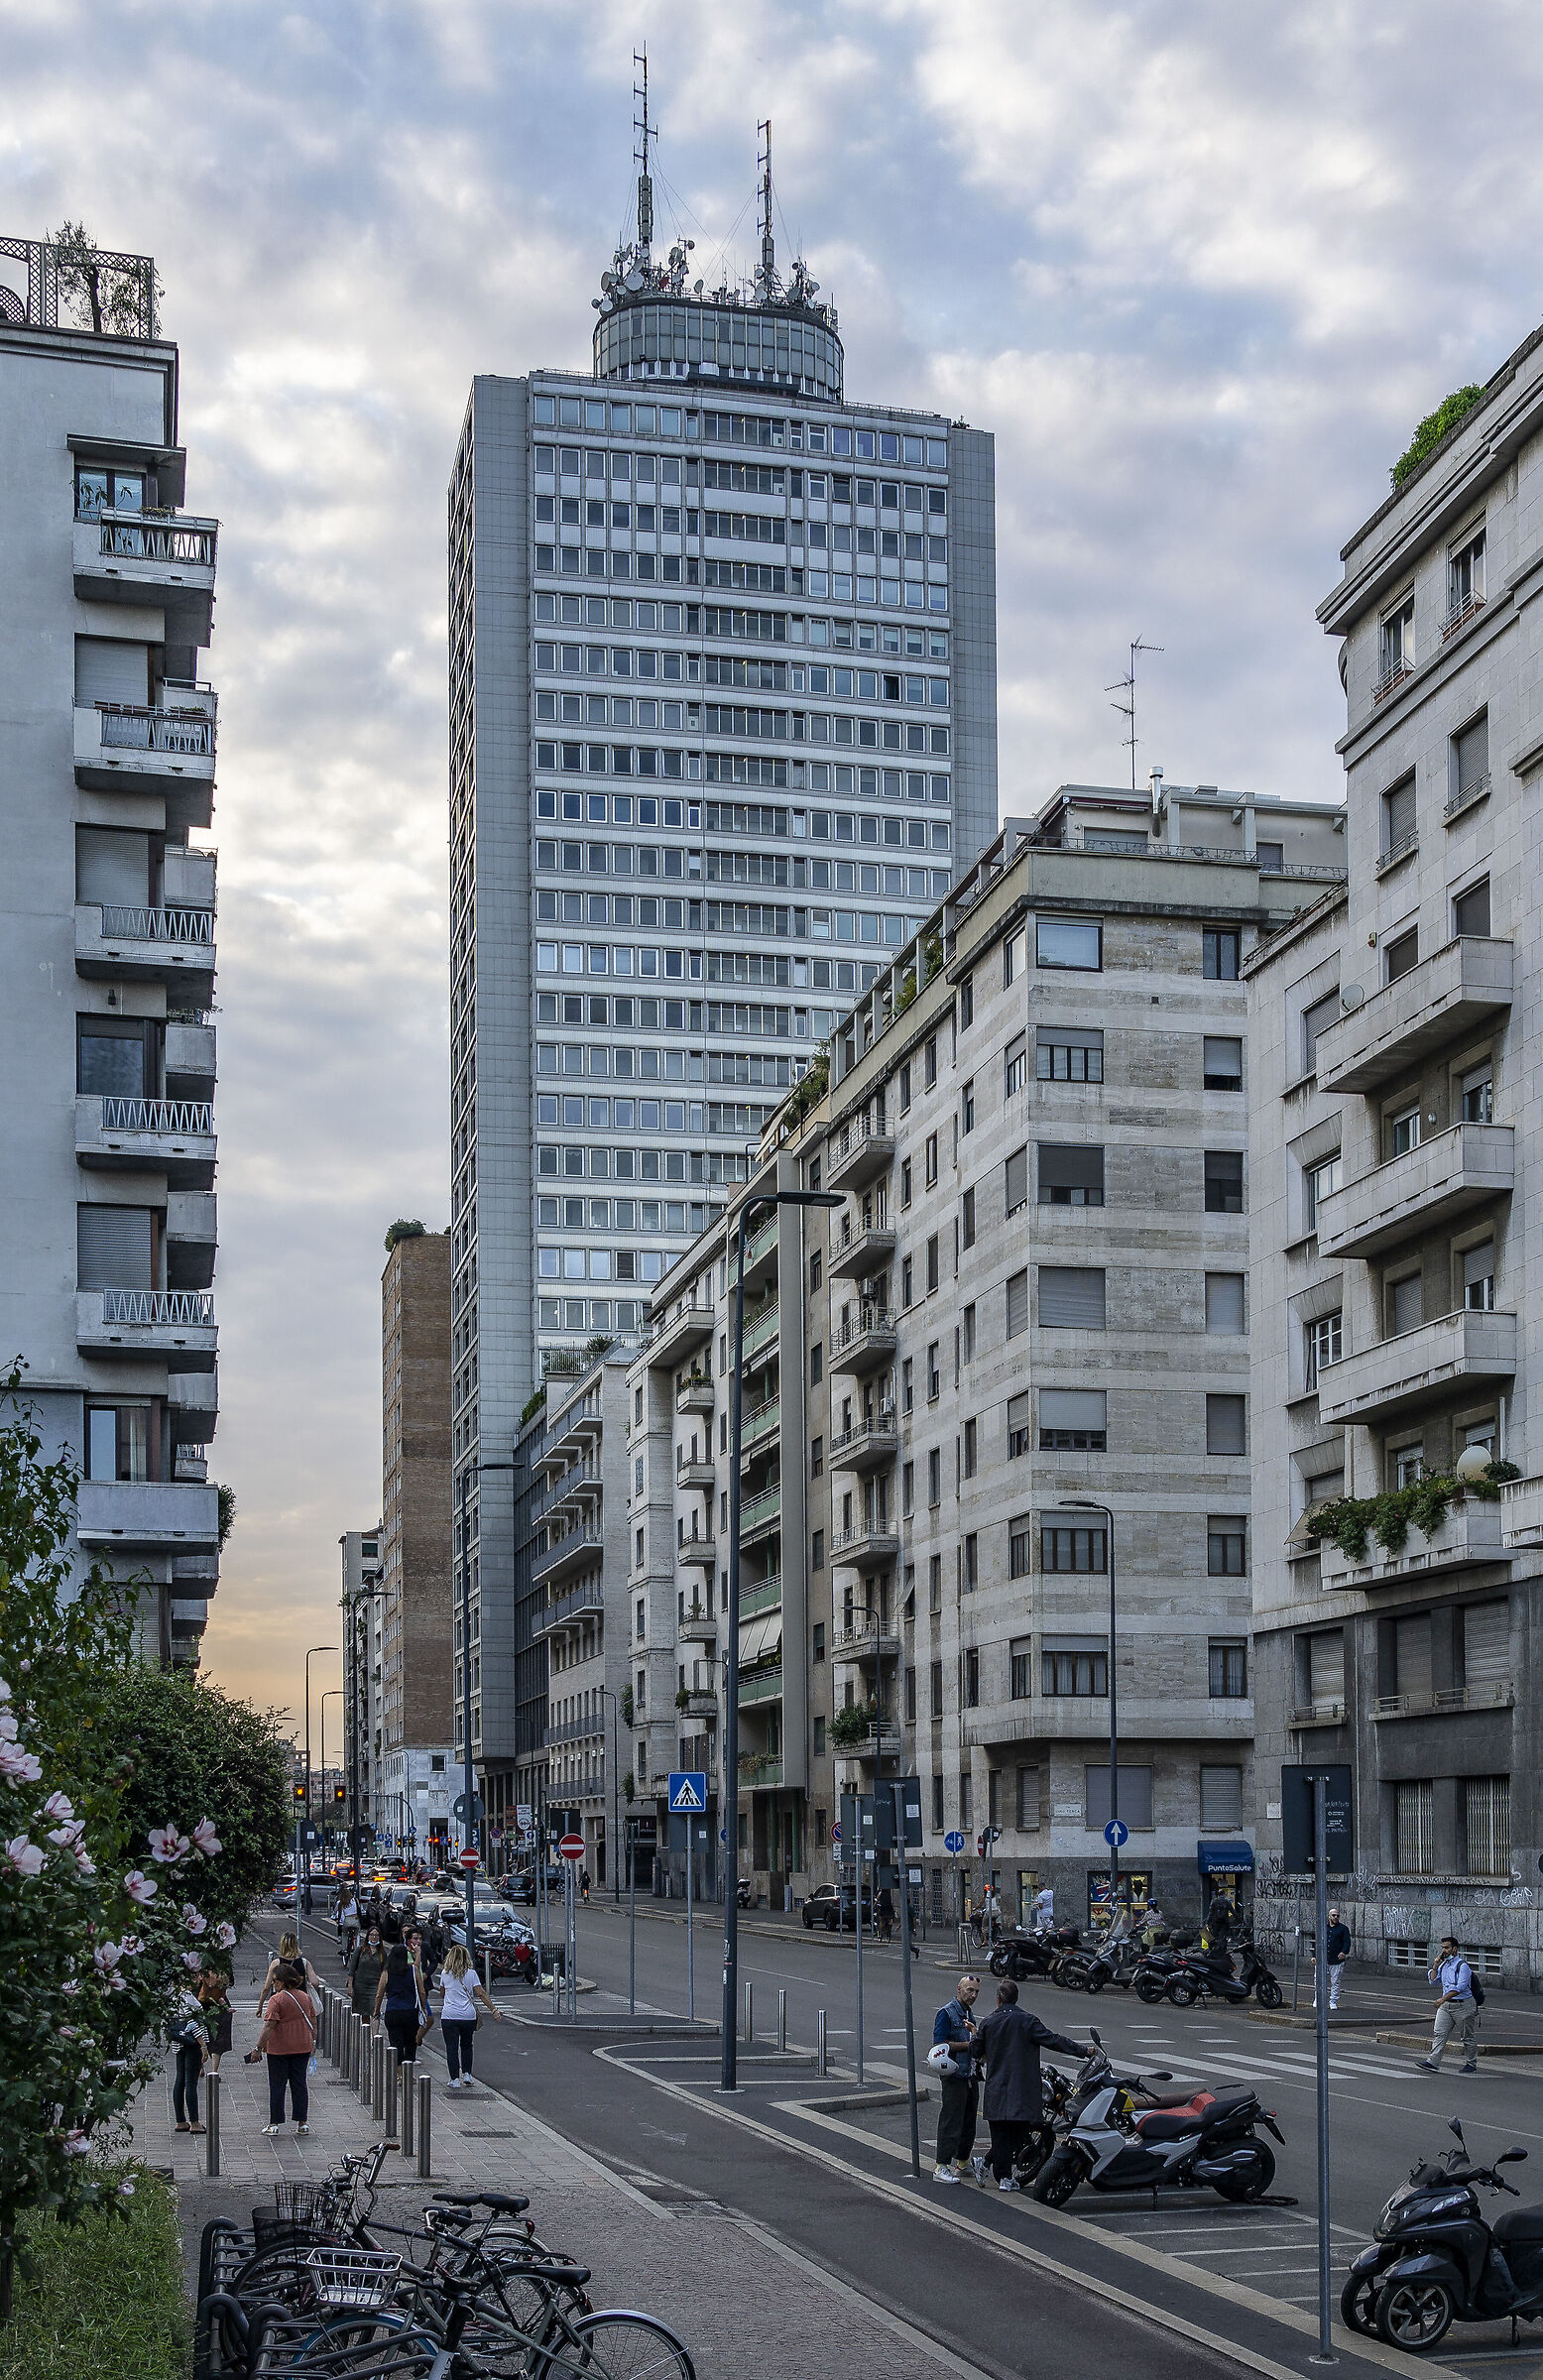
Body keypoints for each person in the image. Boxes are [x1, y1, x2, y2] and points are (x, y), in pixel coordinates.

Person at [974, 1980, 1086, 2190]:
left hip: (997, 2088)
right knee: (1019, 2131)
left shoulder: (988, 2022)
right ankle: (1004, 2178)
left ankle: (988, 2164)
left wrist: (974, 2037)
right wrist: (1082, 2051)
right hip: (1021, 2089)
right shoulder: (1027, 2021)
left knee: (1001, 2133)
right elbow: (1054, 2040)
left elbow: (975, 2051)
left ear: (998, 1999)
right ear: (1016, 1999)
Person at [248, 1958, 315, 2136]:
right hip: (302, 2046)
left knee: (277, 2086)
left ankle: (274, 2123)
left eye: (275, 1981)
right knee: (299, 2084)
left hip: (279, 2049)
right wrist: (312, 2040)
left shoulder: (276, 2000)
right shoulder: (305, 1997)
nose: (273, 1983)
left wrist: (258, 2048)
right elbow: (313, 2020)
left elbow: (269, 2026)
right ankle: (302, 2123)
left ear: (283, 1981)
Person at [932, 1974, 985, 2185]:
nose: (973, 1995)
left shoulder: (969, 2013)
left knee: (969, 2121)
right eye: (969, 1990)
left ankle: (962, 2162)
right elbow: (939, 2044)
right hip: (954, 2074)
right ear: (959, 1989)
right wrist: (969, 2044)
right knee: (951, 2120)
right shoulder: (946, 2013)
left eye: (976, 1992)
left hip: (970, 2073)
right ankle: (941, 2166)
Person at [435, 1945, 504, 2090]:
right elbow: (481, 1993)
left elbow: (442, 1994)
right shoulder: (471, 1974)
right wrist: (493, 2010)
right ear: (467, 1958)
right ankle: (467, 2074)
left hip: (449, 2015)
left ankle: (454, 2078)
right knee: (467, 2045)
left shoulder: (445, 1974)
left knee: (452, 2047)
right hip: (468, 2016)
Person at [1419, 1937, 1480, 2075]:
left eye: (1446, 1947)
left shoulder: (1462, 1966)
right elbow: (1433, 1981)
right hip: (1447, 2006)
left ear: (1455, 1949)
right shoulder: (1444, 1965)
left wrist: (1441, 1999)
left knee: (1467, 2036)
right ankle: (1433, 2062)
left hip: (1463, 2005)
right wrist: (1435, 1965)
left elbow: (1459, 1988)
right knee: (1439, 2033)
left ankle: (1471, 2063)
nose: (1444, 1950)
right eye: (1442, 1948)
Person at [375, 1942, 427, 2065]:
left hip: (393, 2012)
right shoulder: (413, 1970)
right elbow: (422, 1992)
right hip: (411, 2012)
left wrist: (376, 2011)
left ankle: (399, 2074)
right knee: (410, 2042)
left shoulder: (386, 1972)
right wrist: (424, 2007)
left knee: (395, 2043)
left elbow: (379, 1994)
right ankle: (409, 2071)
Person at [171, 1980, 207, 2133]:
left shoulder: (172, 1996)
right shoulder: (186, 1995)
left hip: (178, 2042)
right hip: (192, 2043)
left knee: (180, 2080)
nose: (199, 1979)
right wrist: (203, 2045)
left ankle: (181, 2120)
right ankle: (195, 2122)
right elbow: (191, 2022)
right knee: (191, 2082)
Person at [259, 1932, 322, 2009]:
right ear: (295, 1945)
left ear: (282, 1945)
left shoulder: (276, 1963)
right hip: (300, 2002)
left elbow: (266, 1988)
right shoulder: (304, 1962)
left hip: (281, 2002)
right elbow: (315, 1982)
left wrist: (260, 2005)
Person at [347, 1922, 388, 2019]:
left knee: (374, 2011)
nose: (374, 1937)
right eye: (372, 1935)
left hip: (375, 1986)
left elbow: (385, 1972)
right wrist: (350, 1986)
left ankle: (374, 2033)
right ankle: (364, 2032)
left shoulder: (382, 1953)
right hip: (360, 1986)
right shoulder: (360, 1950)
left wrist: (385, 1988)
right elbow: (352, 1969)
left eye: (376, 1935)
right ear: (368, 1936)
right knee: (362, 2012)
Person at [1315, 1907, 1351, 2012]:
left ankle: (1333, 2001)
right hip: (1323, 1959)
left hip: (1336, 1960)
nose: (1336, 1917)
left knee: (1335, 1982)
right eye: (1333, 1915)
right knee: (1318, 1980)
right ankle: (1318, 1999)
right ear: (1329, 1916)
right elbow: (1318, 1942)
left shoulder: (1343, 1928)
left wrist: (1343, 1952)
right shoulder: (1323, 1928)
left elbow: (1347, 1942)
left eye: (1337, 1915)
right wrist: (1315, 1956)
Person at [199, 1968, 234, 2075]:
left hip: (201, 2002)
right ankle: (214, 2071)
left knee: (199, 2034)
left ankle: (201, 2066)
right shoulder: (224, 1968)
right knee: (218, 2037)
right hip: (219, 2003)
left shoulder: (201, 1965)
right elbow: (229, 1983)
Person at [337, 1881, 360, 1960]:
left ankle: (344, 1949)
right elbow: (358, 1911)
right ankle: (357, 1948)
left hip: (347, 1920)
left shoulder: (341, 1903)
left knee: (344, 1934)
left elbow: (341, 1915)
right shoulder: (355, 1901)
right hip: (355, 1920)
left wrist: (339, 1921)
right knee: (357, 1934)